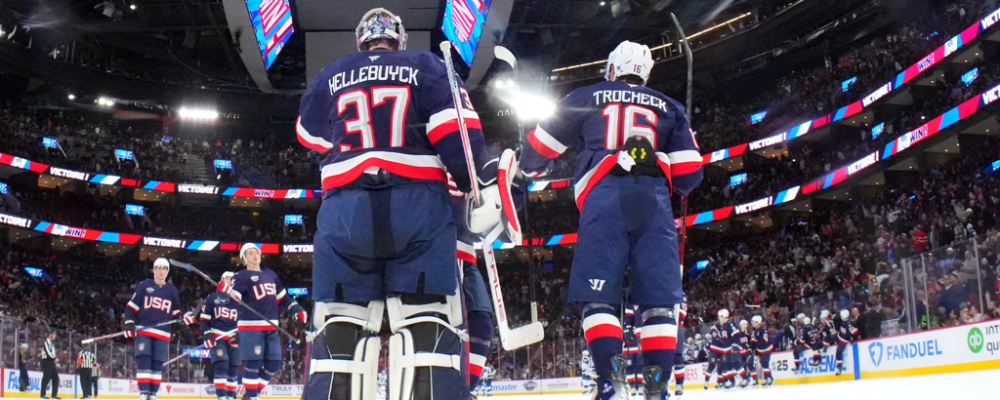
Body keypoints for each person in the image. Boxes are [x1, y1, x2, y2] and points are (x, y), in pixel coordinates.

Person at [298, 8, 497, 400]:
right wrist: (476, 187)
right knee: (429, 329)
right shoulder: (426, 64)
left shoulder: (333, 72)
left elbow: (310, 135)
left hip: (345, 213)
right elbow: (456, 132)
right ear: (399, 39)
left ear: (362, 40)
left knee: (339, 332)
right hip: (418, 208)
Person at [519, 40, 703, 400]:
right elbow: (689, 175)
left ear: (613, 69)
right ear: (645, 74)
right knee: (658, 303)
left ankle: (612, 384)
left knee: (600, 301)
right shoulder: (671, 107)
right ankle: (656, 390)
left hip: (604, 199)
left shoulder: (588, 94)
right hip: (655, 206)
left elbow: (538, 149)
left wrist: (533, 167)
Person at [218, 244, 306, 400]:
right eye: (250, 253)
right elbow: (232, 300)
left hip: (271, 326)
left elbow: (283, 298)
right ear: (244, 259)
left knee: (274, 363)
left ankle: (251, 394)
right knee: (254, 362)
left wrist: (296, 309)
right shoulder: (241, 276)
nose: (254, 255)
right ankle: (253, 397)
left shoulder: (270, 274)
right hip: (251, 327)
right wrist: (226, 293)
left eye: (256, 252)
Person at [449, 175, 496, 397]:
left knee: (481, 323)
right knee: (445, 325)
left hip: (466, 253)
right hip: (435, 250)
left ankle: (464, 391)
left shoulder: (471, 151)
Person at [123, 257, 189, 400]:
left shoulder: (172, 290)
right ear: (154, 270)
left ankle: (152, 394)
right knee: (144, 360)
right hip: (144, 330)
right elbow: (131, 307)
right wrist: (128, 321)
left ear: (167, 272)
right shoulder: (144, 285)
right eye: (158, 267)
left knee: (157, 363)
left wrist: (184, 318)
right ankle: (143, 392)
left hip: (163, 333)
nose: (161, 271)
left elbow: (177, 311)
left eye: (164, 268)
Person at [197, 272, 241, 400]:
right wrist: (207, 333)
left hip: (234, 337)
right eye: (227, 278)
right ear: (221, 280)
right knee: (222, 365)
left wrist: (240, 333)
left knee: (233, 369)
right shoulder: (211, 298)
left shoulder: (239, 299)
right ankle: (221, 396)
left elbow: (245, 320)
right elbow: (204, 320)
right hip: (218, 338)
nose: (229, 281)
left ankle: (231, 397)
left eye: (232, 279)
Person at [706, 309, 733, 390]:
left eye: (721, 317)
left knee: (723, 365)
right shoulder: (716, 326)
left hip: (724, 349)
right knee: (713, 365)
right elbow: (713, 331)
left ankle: (724, 381)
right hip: (715, 349)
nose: (719, 319)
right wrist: (715, 336)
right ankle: (709, 382)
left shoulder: (728, 325)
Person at [749, 315, 774, 386]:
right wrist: (752, 348)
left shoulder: (763, 329)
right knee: (763, 364)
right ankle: (769, 377)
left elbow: (764, 341)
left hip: (766, 349)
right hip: (760, 350)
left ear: (758, 322)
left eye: (754, 322)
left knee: (765, 363)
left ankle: (767, 378)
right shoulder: (754, 330)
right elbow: (753, 341)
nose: (752, 323)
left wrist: (757, 337)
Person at [672, 298, 689, 397]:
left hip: (676, 327)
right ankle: (663, 384)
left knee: (677, 357)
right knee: (662, 356)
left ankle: (679, 384)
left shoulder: (680, 295)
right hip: (664, 326)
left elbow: (681, 315)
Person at [835, 309, 859, 376]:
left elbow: (854, 332)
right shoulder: (850, 323)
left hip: (843, 340)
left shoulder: (844, 323)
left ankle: (839, 368)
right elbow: (855, 331)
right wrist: (852, 338)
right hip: (843, 339)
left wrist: (851, 338)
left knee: (838, 353)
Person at [40, 331, 59, 399]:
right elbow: (48, 353)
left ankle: (54, 394)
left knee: (55, 378)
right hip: (47, 361)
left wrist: (54, 359)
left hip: (51, 362)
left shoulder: (51, 343)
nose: (55, 336)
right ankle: (43, 394)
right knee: (46, 377)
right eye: (54, 335)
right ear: (50, 335)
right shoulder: (46, 342)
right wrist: (54, 358)